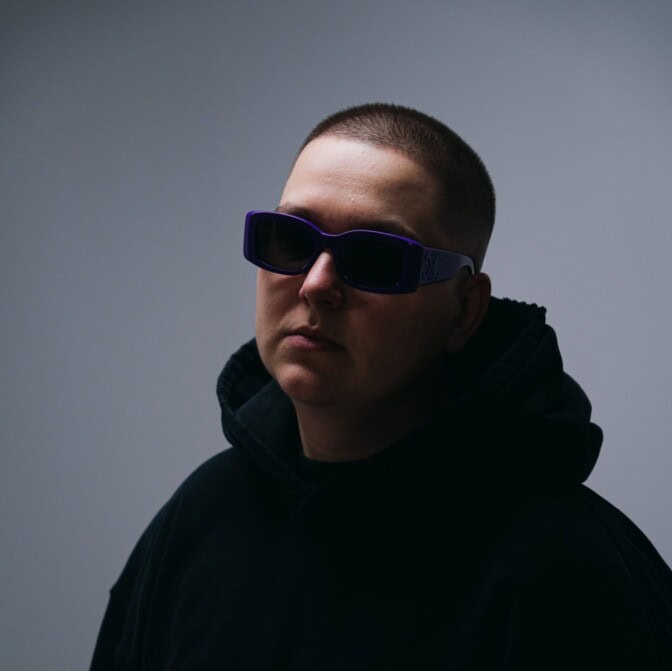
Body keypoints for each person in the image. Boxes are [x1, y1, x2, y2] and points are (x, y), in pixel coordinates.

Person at [91, 103, 672, 670]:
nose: (316, 285)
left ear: (465, 310)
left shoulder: (572, 572)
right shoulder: (201, 519)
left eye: (374, 257)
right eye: (290, 240)